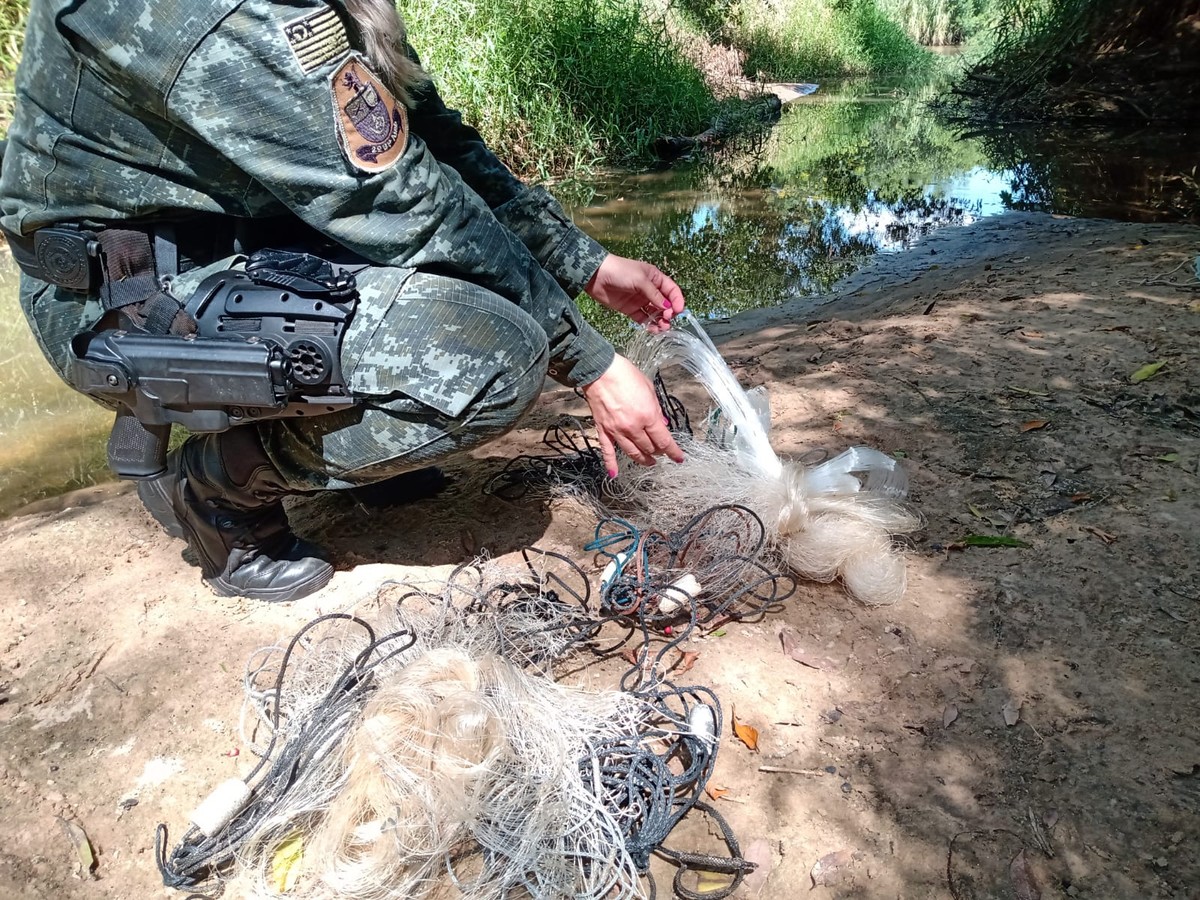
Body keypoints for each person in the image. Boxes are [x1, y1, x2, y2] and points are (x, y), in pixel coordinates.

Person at [0, 0, 686, 603]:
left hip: (241, 251)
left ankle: (354, 460)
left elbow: (424, 137)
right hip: (127, 301)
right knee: (492, 359)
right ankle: (216, 491)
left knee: (486, 289)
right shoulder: (218, 11)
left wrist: (585, 263)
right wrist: (591, 362)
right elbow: (397, 200)